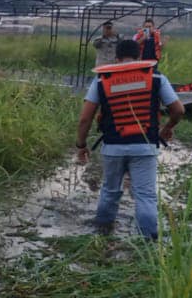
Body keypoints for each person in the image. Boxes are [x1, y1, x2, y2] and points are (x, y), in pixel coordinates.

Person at [75, 38, 184, 239]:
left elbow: (85, 119)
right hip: (145, 146)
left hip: (113, 147)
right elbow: (178, 109)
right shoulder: (156, 77)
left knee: (109, 192)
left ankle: (101, 235)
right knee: (145, 196)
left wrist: (81, 145)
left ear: (116, 59)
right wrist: (167, 127)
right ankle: (149, 244)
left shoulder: (102, 80)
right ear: (139, 57)